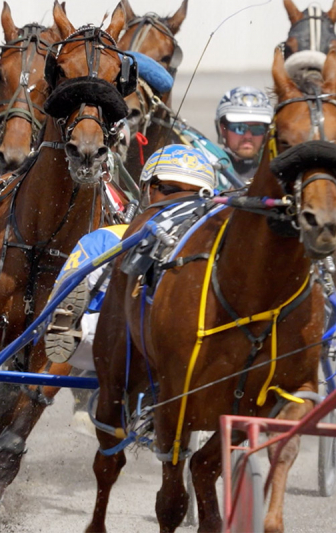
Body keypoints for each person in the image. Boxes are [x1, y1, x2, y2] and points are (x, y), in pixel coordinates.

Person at [44, 145, 217, 432]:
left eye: (194, 196)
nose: (177, 204)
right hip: (105, 344)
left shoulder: (212, 256)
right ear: (147, 189)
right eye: (169, 190)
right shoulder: (108, 239)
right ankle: (69, 323)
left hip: (182, 348)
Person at [214, 86, 274, 188]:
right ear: (223, 129)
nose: (248, 136)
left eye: (257, 129)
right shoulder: (210, 172)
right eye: (239, 128)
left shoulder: (277, 174)